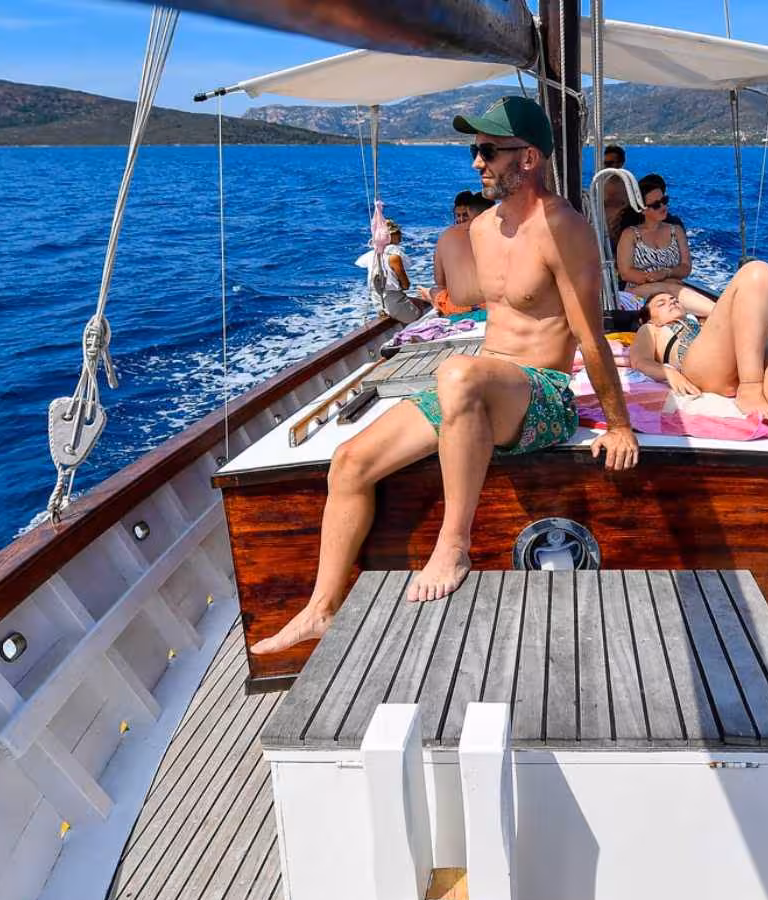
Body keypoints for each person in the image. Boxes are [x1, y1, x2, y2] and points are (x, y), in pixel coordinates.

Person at [252, 96, 638, 654]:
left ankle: (453, 543)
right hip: (481, 386)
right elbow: (476, 302)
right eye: (474, 151)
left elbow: (589, 335)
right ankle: (321, 608)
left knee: (457, 374)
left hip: (545, 395)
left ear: (528, 157)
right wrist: (403, 277)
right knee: (351, 461)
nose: (476, 162)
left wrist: (620, 425)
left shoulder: (564, 229)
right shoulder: (480, 230)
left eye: (487, 151)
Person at [626, 264, 768, 462]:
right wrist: (668, 372)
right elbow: (639, 360)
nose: (671, 301)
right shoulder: (651, 329)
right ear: (647, 318)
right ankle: (750, 385)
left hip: (738, 355)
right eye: (661, 303)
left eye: (673, 299)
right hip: (702, 365)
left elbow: (725, 308)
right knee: (756, 273)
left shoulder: (700, 321)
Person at [616, 174, 692, 301]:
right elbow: (625, 273)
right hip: (639, 295)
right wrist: (658, 280)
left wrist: (666, 273)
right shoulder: (630, 234)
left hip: (672, 291)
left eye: (664, 201)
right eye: (656, 205)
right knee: (671, 290)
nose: (663, 207)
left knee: (670, 292)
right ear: (643, 210)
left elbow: (686, 267)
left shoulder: (676, 231)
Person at [423, 190, 494, 316]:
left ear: (471, 211)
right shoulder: (499, 231)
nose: (461, 219)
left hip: (458, 307)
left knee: (435, 290)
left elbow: (440, 281)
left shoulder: (445, 236)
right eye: (458, 216)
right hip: (492, 303)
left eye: (464, 215)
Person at [356, 219, 419, 323]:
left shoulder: (372, 255)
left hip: (380, 308)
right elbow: (406, 285)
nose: (401, 235)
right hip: (394, 306)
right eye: (398, 233)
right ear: (391, 236)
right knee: (423, 310)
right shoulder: (394, 256)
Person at [599, 144, 629, 245]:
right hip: (602, 237)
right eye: (605, 163)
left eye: (610, 163)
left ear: (621, 163)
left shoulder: (629, 186)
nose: (606, 167)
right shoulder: (599, 185)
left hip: (622, 237)